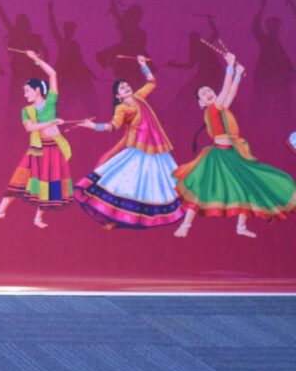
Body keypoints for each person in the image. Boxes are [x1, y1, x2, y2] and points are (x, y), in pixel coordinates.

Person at [174, 52, 296, 238]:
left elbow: (230, 93)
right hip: (217, 157)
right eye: (203, 94)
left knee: (245, 187)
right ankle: (185, 225)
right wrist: (230, 66)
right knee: (201, 189)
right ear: (201, 102)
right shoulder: (212, 110)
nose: (208, 93)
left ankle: (241, 227)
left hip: (231, 154)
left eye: (209, 90)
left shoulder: (220, 108)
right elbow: (225, 91)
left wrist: (238, 74)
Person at [74, 56, 184, 229]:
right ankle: (118, 217)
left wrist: (143, 65)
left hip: (156, 148)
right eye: (122, 88)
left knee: (160, 181)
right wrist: (93, 126)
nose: (126, 87)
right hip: (138, 150)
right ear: (118, 96)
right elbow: (113, 126)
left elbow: (152, 82)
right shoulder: (122, 108)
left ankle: (152, 215)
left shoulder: (139, 97)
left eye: (126, 85)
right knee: (132, 183)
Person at [0, 53, 72, 229]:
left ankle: (38, 218)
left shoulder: (51, 102)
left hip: (53, 149)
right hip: (36, 150)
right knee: (17, 180)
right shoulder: (26, 110)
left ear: (37, 90)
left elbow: (53, 74)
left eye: (27, 91)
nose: (25, 95)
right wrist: (51, 122)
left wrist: (37, 59)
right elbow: (30, 128)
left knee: (47, 183)